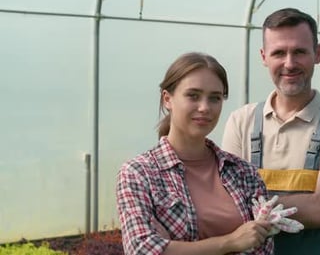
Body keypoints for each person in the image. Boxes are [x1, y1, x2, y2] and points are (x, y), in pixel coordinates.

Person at [222, 8, 320, 255]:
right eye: (279, 53)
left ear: (317, 53)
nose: (289, 63)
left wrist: (252, 206)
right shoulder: (241, 121)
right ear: (264, 56)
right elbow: (224, 207)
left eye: (299, 51)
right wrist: (311, 202)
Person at [116, 52, 275, 255]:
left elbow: (262, 248)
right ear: (167, 99)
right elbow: (141, 249)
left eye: (215, 98)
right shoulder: (139, 173)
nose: (204, 107)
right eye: (193, 96)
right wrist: (232, 242)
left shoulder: (244, 173)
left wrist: (174, 247)